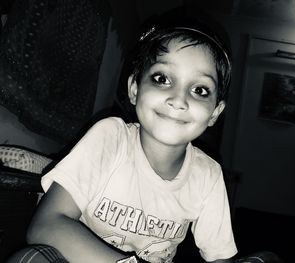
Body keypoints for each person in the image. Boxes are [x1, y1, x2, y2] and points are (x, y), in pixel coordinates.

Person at [7, 8, 237, 263]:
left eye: (200, 90)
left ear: (215, 112)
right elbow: (45, 225)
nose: (178, 100)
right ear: (134, 89)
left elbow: (220, 257)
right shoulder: (110, 137)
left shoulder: (208, 176)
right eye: (162, 78)